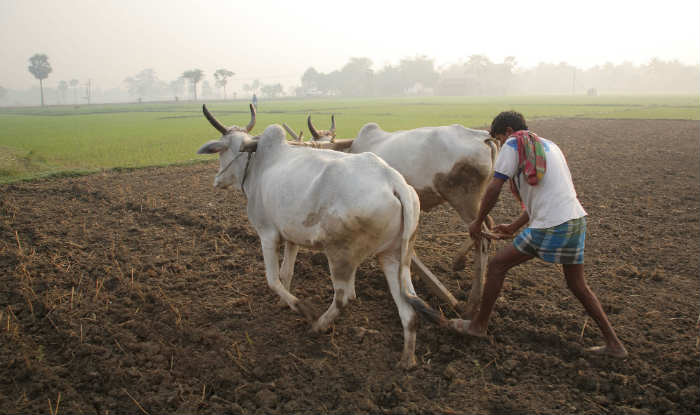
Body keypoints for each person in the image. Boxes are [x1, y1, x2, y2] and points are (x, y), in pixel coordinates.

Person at [453, 110, 628, 358]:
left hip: (551, 225)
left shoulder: (514, 143)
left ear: (508, 132)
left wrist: (478, 221)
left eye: (499, 138)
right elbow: (547, 195)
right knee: (577, 285)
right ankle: (614, 344)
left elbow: (494, 187)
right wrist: (513, 226)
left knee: (497, 265)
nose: (500, 144)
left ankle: (478, 326)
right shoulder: (549, 146)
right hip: (575, 219)